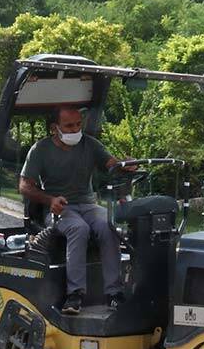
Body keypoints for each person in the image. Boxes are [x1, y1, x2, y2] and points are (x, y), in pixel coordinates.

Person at [19, 107, 133, 315]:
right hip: (59, 207)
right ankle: (75, 295)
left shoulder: (89, 145)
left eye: (78, 124)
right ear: (55, 128)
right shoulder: (40, 150)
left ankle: (114, 293)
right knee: (78, 229)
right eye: (69, 126)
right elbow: (25, 186)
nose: (75, 130)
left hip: (88, 204)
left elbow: (111, 164)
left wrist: (126, 165)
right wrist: (50, 199)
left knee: (109, 225)